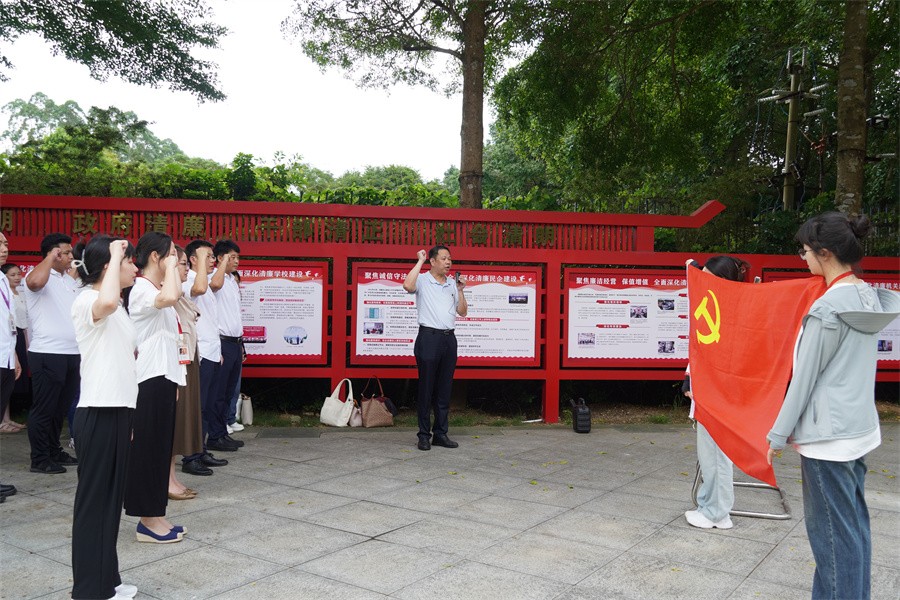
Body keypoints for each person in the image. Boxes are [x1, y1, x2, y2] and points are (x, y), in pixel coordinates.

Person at [766, 212, 899, 600]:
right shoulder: (867, 296)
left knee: (832, 542)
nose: (803, 258)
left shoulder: (827, 309)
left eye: (805, 251)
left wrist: (777, 434)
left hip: (826, 439)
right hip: (858, 430)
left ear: (824, 253)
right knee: (852, 532)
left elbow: (804, 378)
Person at [69, 235, 140, 600]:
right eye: (129, 261)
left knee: (110, 505)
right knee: (94, 505)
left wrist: (129, 417)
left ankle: (107, 580)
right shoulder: (87, 301)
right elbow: (107, 301)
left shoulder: (118, 306)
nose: (134, 267)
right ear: (108, 267)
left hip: (118, 411)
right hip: (98, 412)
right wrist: (114, 251)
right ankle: (89, 590)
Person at [123, 232, 186, 543]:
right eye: (171, 254)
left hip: (163, 377)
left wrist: (175, 380)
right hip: (148, 379)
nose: (175, 260)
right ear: (155, 257)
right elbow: (172, 296)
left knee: (160, 449)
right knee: (148, 450)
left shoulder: (154, 289)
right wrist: (172, 268)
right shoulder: (141, 289)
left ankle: (157, 514)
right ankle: (147, 520)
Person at [683, 256, 750, 530]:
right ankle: (709, 505)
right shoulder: (714, 303)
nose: (702, 280)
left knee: (717, 454)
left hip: (722, 392)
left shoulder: (732, 310)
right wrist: (690, 381)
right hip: (708, 388)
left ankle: (718, 512)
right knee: (709, 454)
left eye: (708, 277)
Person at [23, 233, 80, 474]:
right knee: (44, 409)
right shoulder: (38, 276)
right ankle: (39, 458)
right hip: (48, 352)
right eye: (64, 253)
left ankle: (54, 450)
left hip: (71, 353)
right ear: (52, 254)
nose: (70, 256)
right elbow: (34, 283)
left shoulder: (67, 280)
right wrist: (50, 258)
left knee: (60, 408)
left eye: (70, 252)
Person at [402, 246, 468, 451]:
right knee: (426, 388)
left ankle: (440, 433)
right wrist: (419, 261)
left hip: (449, 339)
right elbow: (407, 285)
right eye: (444, 258)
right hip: (429, 338)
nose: (448, 262)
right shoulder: (423, 279)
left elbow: (462, 312)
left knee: (444, 389)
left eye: (450, 259)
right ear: (433, 261)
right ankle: (424, 435)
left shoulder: (452, 284)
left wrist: (460, 290)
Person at [180, 240, 231, 476]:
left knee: (207, 405)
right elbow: (198, 289)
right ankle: (191, 456)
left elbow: (211, 321)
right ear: (193, 259)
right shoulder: (189, 279)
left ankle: (201, 450)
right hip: (198, 353)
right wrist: (200, 260)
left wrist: (218, 352)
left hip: (211, 351)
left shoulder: (206, 281)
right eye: (208, 256)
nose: (213, 260)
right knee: (197, 407)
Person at [169, 246, 203, 499]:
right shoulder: (162, 294)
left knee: (179, 424)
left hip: (185, 359)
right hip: (171, 365)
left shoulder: (176, 293)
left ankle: (170, 477)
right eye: (182, 264)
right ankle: (165, 480)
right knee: (171, 425)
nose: (187, 270)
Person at [208, 240, 244, 452]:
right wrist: (221, 264)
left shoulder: (232, 280)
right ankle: (214, 435)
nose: (237, 261)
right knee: (219, 392)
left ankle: (222, 432)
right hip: (222, 342)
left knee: (229, 391)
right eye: (232, 257)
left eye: (238, 257)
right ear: (220, 258)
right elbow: (213, 286)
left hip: (235, 342)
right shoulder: (215, 276)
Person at [0, 232, 21, 503]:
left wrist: (13, 355)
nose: (4, 248)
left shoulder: (3, 279)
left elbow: (7, 321)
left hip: (4, 356)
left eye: (5, 243)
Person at [1, 262, 27, 432]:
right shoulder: (4, 291)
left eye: (19, 274)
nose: (17, 277)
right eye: (13, 275)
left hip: (16, 338)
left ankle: (6, 418)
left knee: (10, 383)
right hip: (6, 340)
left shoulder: (19, 292)